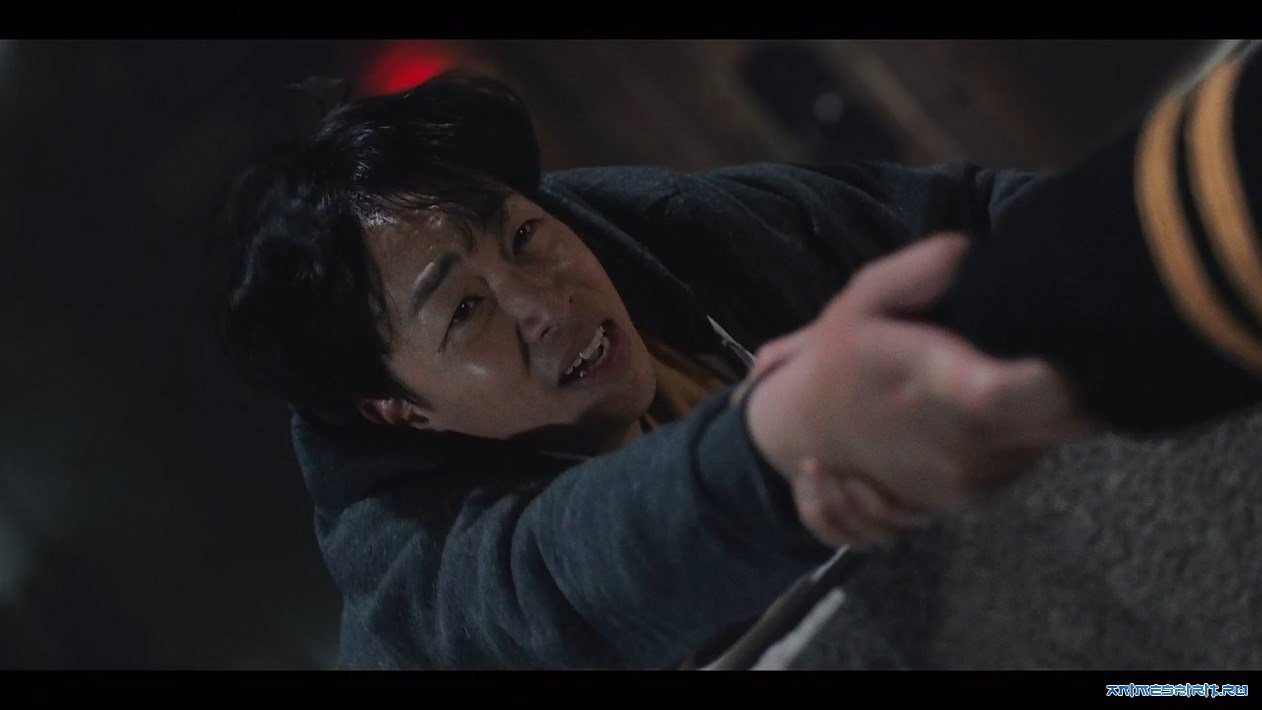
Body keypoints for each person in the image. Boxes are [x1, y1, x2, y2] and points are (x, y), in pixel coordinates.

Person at [215, 46, 1262, 669]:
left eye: (524, 234)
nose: (543, 302)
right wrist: (781, 443)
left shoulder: (675, 233)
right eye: (465, 312)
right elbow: (570, 582)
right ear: (399, 407)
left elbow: (966, 220)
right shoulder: (420, 593)